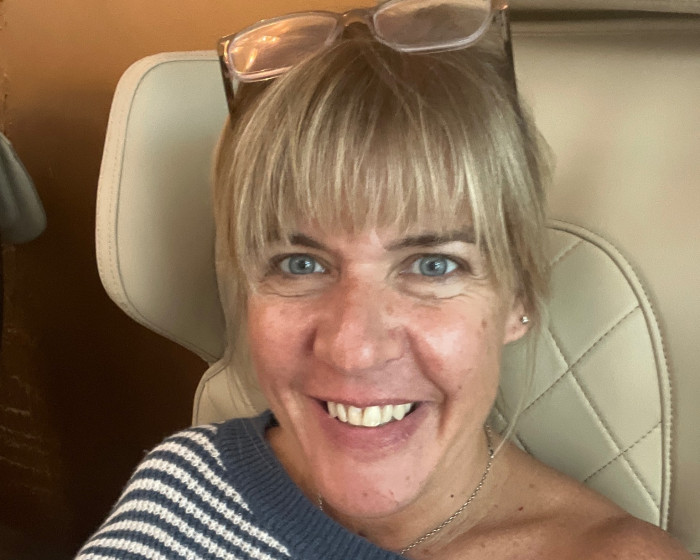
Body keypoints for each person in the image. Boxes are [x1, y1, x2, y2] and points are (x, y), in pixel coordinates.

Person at [77, 1, 693, 559]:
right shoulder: (182, 487)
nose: (354, 348)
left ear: (519, 297)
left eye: (433, 265)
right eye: (300, 263)